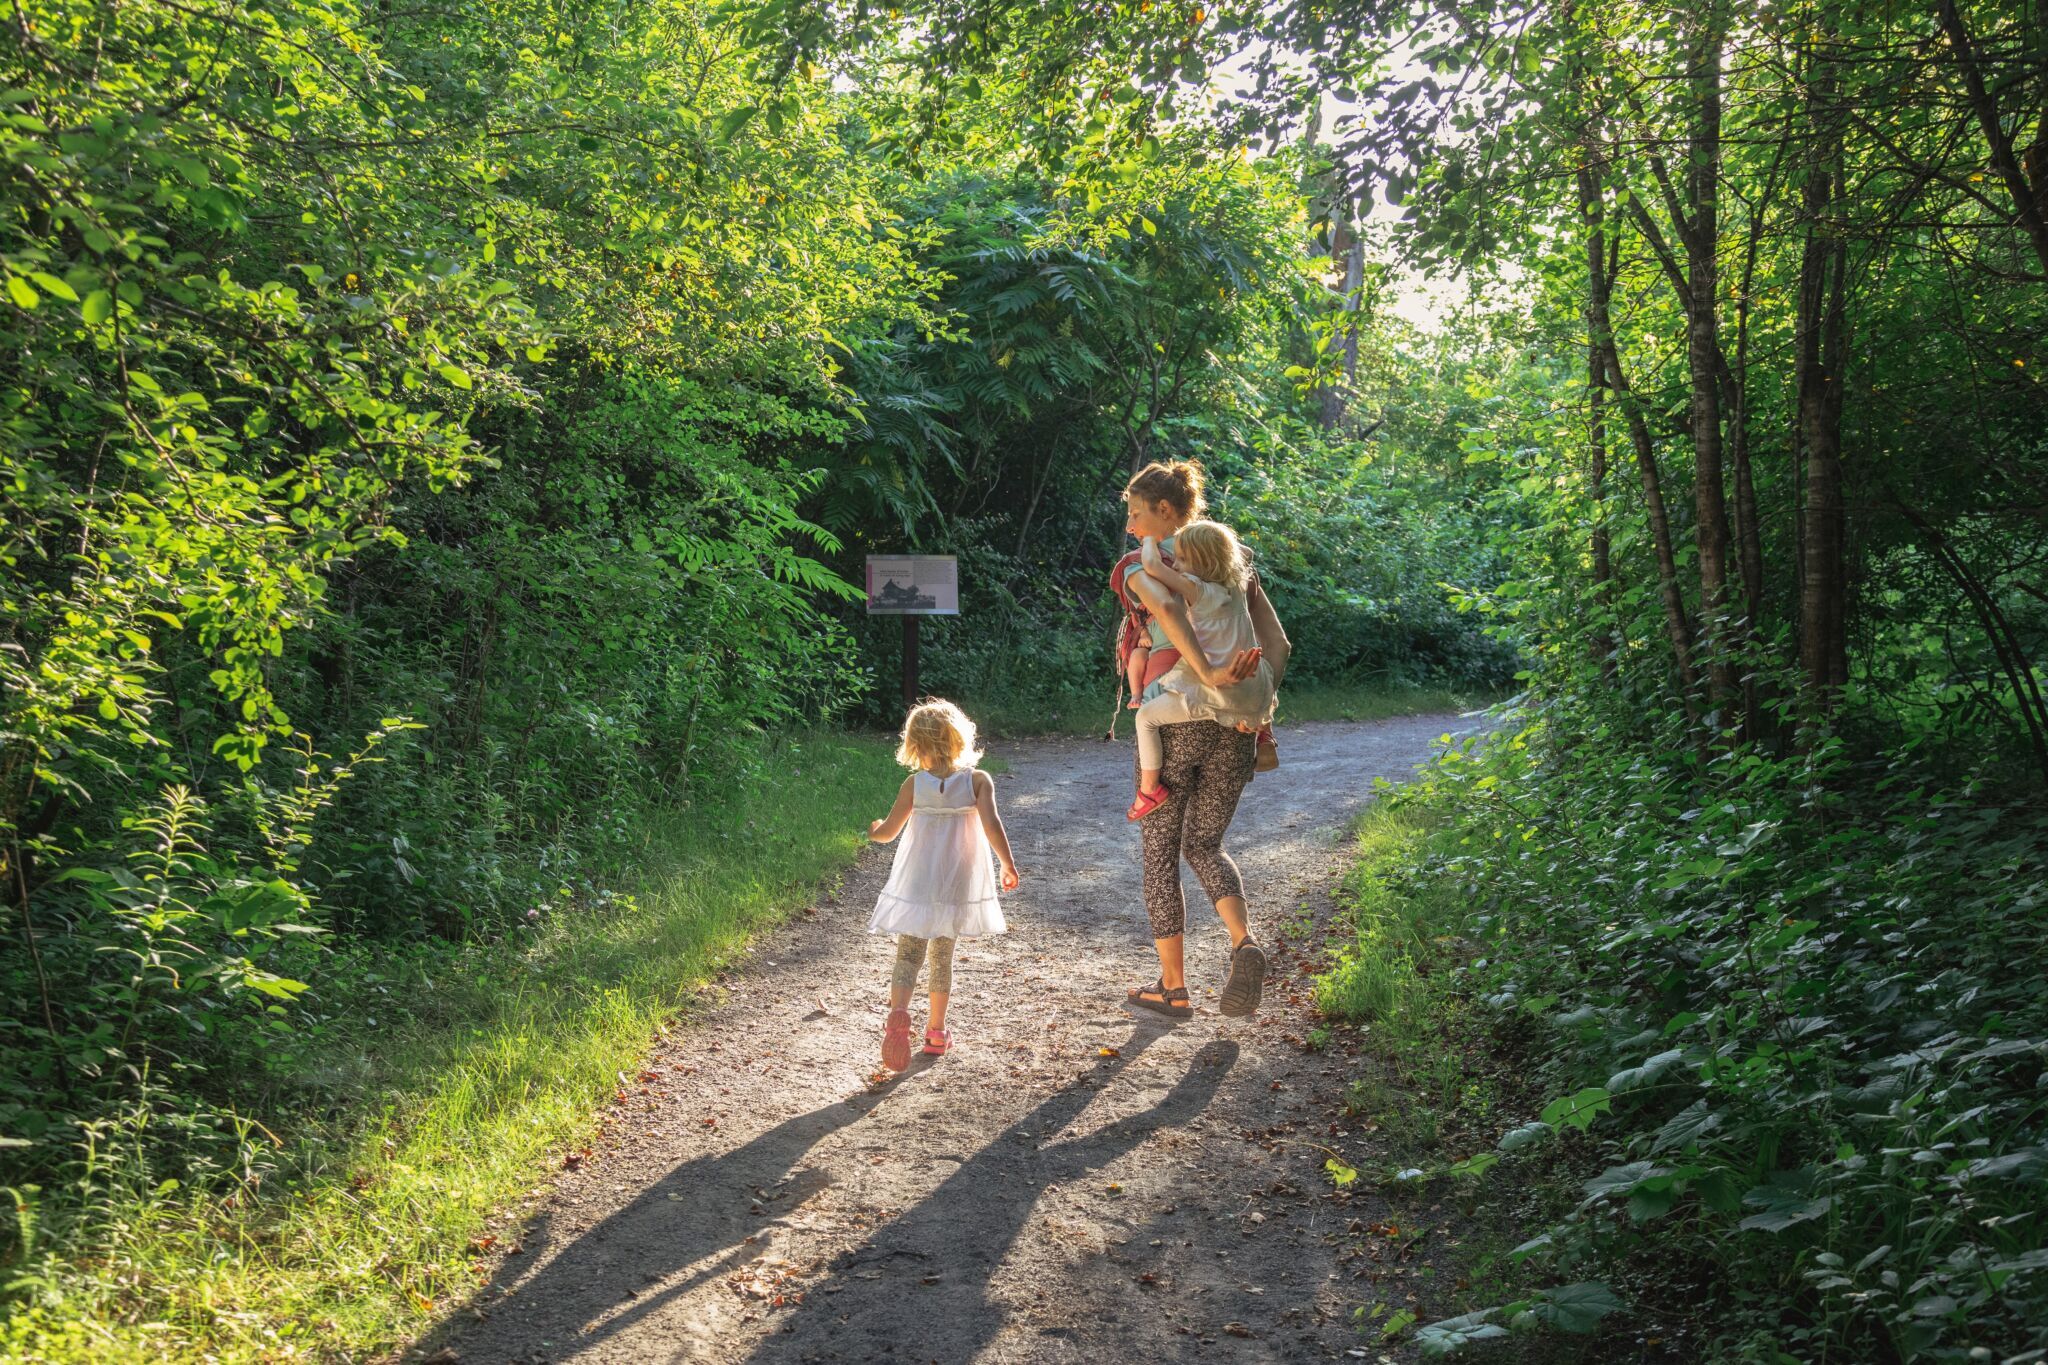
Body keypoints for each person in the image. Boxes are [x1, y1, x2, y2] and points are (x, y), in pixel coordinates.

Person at [1113, 460, 1290, 1021]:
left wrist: (1212, 679)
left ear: (1165, 511)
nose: (1131, 527)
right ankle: (1244, 942)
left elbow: (1166, 608)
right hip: (1237, 728)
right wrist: (1250, 703)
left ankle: (1174, 988)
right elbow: (1278, 646)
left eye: (1137, 514)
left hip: (1179, 721)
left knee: (1161, 853)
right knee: (1205, 846)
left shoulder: (1141, 567)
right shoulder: (1234, 568)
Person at [865, 699, 1020, 1069]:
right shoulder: (977, 781)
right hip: (956, 880)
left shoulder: (914, 784)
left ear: (914, 745)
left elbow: (888, 832)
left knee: (908, 953)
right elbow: (992, 826)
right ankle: (936, 1031)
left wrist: (874, 831)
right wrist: (1007, 864)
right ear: (958, 738)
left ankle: (899, 1012)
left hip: (918, 879)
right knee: (941, 957)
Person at [1126, 520, 1279, 821]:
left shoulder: (1199, 590)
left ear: (1204, 562)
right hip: (1257, 688)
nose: (1177, 565)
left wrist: (1150, 539)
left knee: (1145, 717)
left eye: (1183, 559)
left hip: (1222, 688)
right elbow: (1243, 552)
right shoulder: (1237, 582)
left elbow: (1154, 567)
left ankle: (1149, 790)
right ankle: (1262, 731)